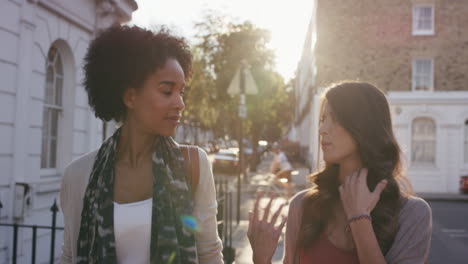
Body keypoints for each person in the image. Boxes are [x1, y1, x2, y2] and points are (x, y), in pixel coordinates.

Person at [59, 25, 223, 264]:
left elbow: (210, 255)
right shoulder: (78, 175)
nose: (180, 104)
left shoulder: (193, 165)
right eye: (167, 91)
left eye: (181, 92)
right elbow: (69, 256)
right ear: (130, 97)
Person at [248, 82, 432, 264]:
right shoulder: (302, 206)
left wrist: (359, 220)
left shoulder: (412, 214)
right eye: (323, 119)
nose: (322, 130)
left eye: (335, 119)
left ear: (365, 127)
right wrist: (262, 260)